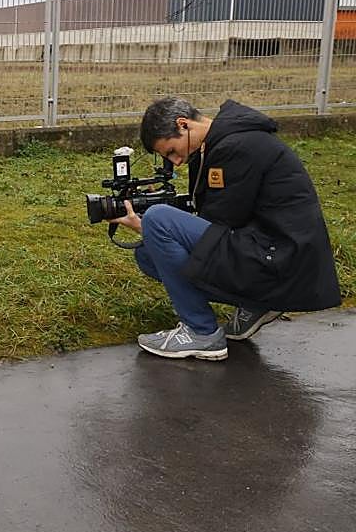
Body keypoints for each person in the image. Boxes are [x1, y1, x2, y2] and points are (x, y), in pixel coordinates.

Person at [110, 97, 341, 361]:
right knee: (148, 255)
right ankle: (255, 304)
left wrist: (148, 224)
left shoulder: (237, 146)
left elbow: (221, 222)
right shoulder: (217, 145)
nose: (175, 162)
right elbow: (221, 216)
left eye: (172, 151)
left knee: (158, 220)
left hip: (282, 262)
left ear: (183, 125)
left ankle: (202, 332)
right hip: (272, 254)